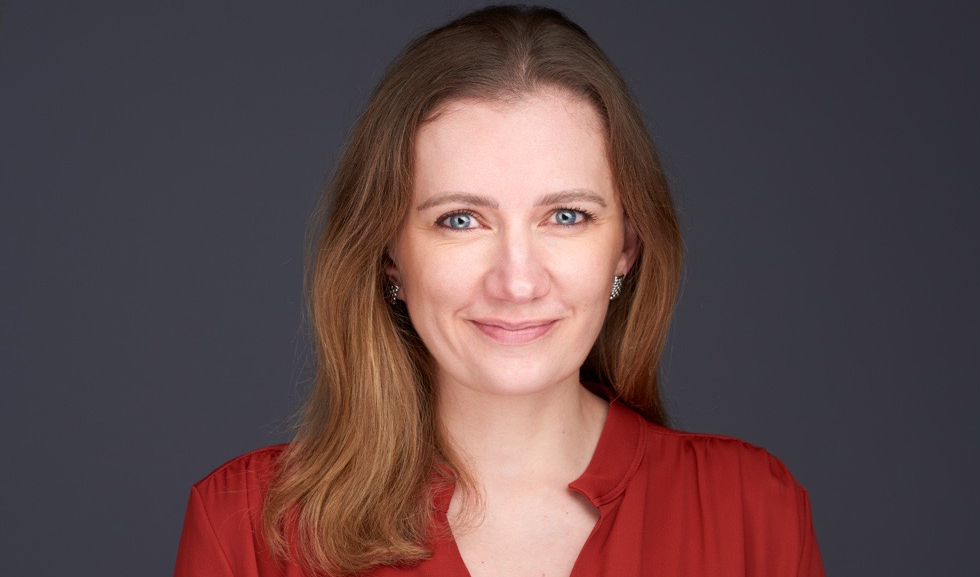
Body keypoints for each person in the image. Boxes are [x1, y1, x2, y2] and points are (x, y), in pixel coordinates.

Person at [173, 6, 826, 577]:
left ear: (625, 246)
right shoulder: (249, 528)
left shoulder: (753, 511)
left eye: (566, 216)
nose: (517, 280)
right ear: (389, 254)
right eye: (461, 219)